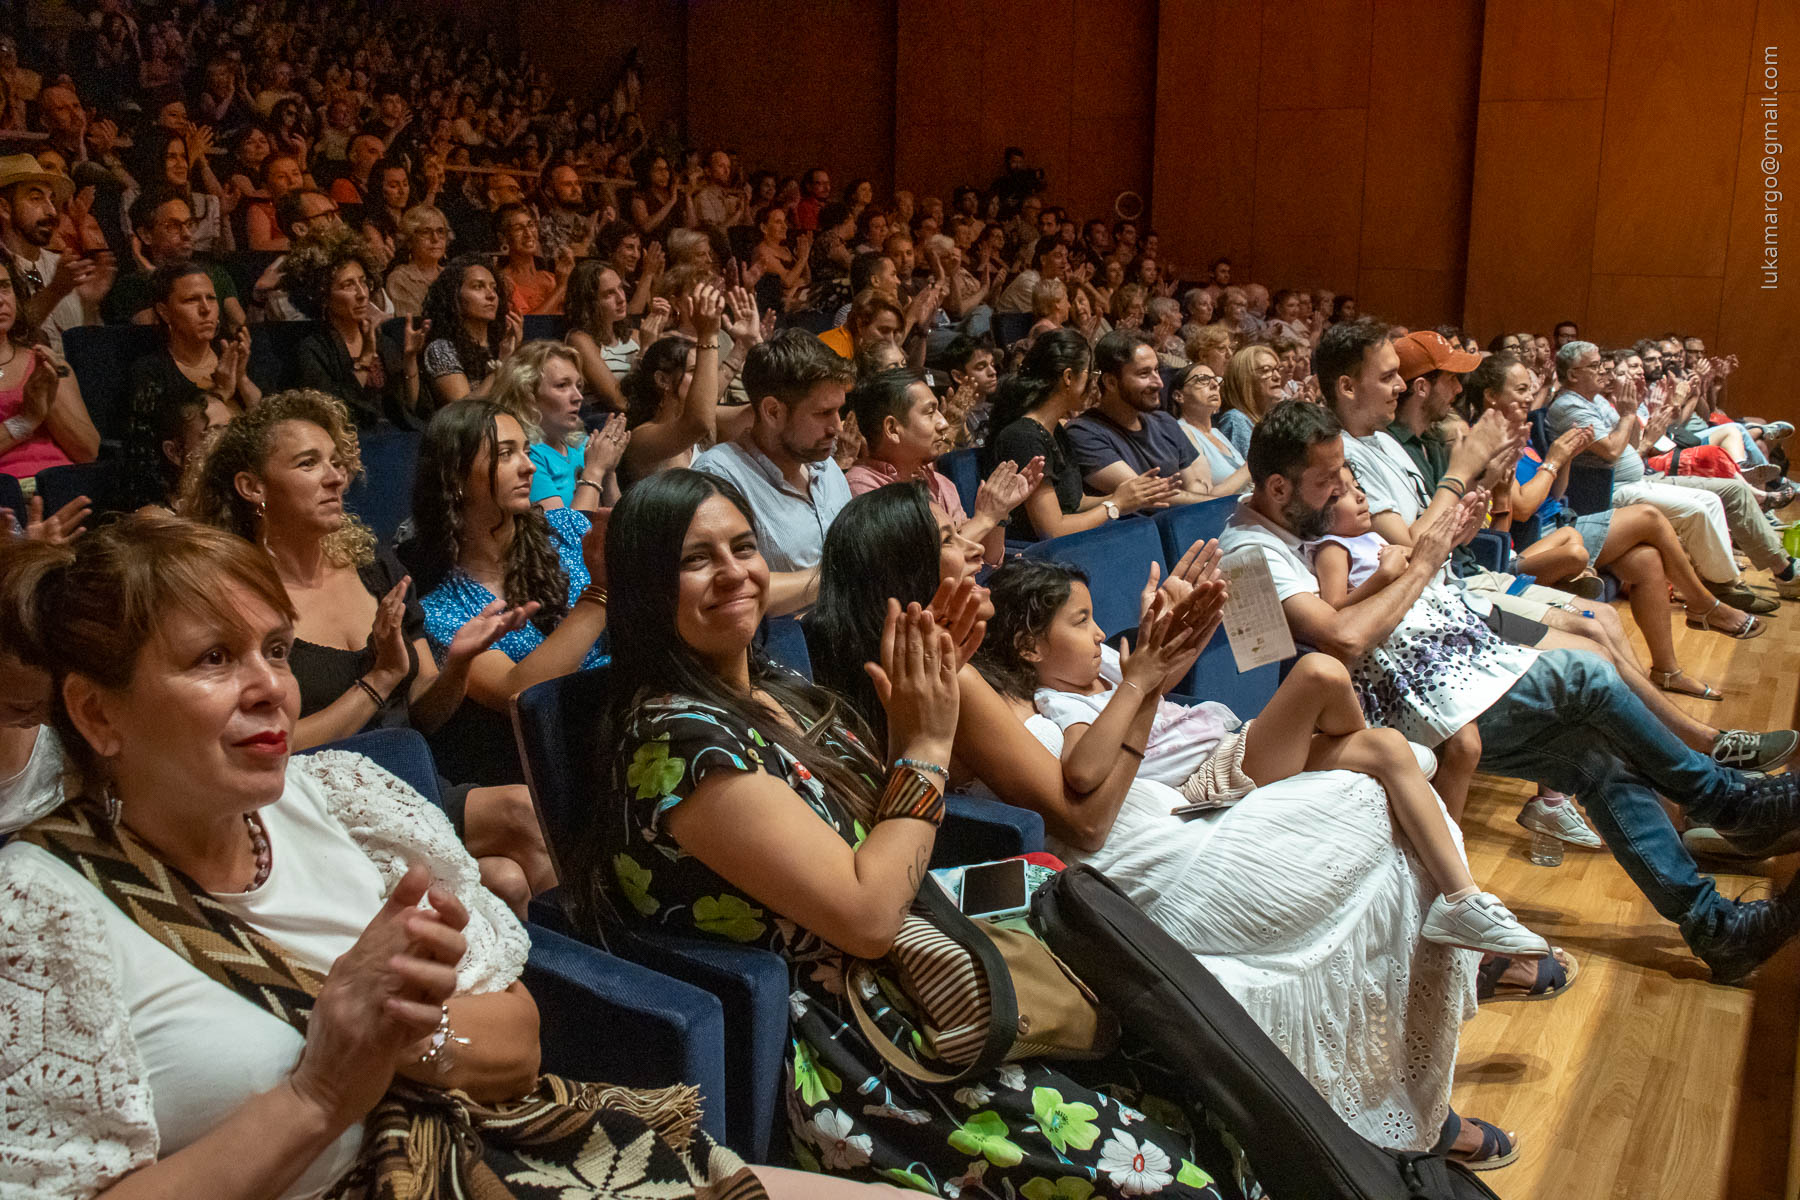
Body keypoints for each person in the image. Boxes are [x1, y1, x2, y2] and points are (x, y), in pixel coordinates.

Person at [0, 516, 790, 1200]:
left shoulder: (340, 797)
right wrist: (319, 1092)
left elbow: (520, 1040)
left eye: (275, 650)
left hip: (480, 1159)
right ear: (98, 713)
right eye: (213, 659)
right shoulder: (40, 910)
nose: (270, 688)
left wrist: (405, 1036)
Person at [575, 468, 1240, 1199]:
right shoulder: (673, 743)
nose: (735, 573)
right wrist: (927, 743)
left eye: (743, 547)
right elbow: (865, 914)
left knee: (1199, 1087)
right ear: (645, 585)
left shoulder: (771, 685)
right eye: (697, 559)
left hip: (929, 971)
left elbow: (890, 822)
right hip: (859, 1046)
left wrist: (917, 729)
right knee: (1167, 1179)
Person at [806, 482, 1501, 1164]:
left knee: (1381, 790)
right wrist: (1143, 678)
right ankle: (1381, 1110)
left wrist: (1151, 672)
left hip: (1159, 818)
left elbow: (1096, 767)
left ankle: (1398, 1085)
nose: (978, 548)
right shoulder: (950, 672)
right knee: (1372, 805)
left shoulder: (967, 658)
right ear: (915, 577)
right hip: (1132, 866)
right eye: (951, 543)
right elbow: (1087, 813)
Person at [1220, 399, 1800, 986]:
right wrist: (1424, 561)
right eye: (1326, 482)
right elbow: (1339, 644)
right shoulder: (1248, 551)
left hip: (1447, 652)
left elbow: (1386, 575)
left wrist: (1437, 543)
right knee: (1586, 676)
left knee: (1597, 757)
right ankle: (1730, 802)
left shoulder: (1308, 521)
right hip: (1398, 701)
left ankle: (1717, 928)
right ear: (1276, 489)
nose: (1342, 489)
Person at [995, 554, 1547, 958]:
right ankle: (1352, 772)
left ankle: (1461, 896)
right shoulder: (1059, 700)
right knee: (1319, 671)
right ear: (1030, 648)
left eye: (1094, 618)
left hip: (1236, 742)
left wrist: (1166, 640)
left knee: (1388, 745)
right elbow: (1085, 769)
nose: (1097, 633)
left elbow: (1159, 689)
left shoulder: (1106, 671)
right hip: (1207, 780)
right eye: (1080, 621)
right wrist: (1137, 680)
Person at [181, 389, 554, 909]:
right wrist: (377, 682)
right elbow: (275, 746)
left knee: (515, 860)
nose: (336, 477)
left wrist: (460, 664)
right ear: (252, 487)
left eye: (337, 461)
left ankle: (586, 973)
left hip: (411, 780)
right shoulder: (236, 597)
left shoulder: (374, 565)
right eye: (309, 464)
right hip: (316, 799)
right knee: (512, 846)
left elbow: (424, 714)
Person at [1468, 352, 1733, 701]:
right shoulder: (1487, 439)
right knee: (1648, 517)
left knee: (1647, 559)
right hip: (1532, 538)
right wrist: (1555, 460)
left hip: (1558, 522)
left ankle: (1667, 671)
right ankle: (1703, 604)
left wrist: (1565, 461)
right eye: (1520, 388)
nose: (1530, 394)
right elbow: (1520, 509)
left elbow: (1557, 493)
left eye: (1530, 387)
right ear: (1491, 395)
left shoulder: (1521, 432)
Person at [409, 400, 612, 784]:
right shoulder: (444, 608)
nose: (529, 465)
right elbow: (518, 693)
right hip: (573, 756)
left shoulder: (566, 527)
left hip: (637, 706)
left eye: (525, 449)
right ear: (454, 477)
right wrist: (600, 594)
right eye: (506, 454)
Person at [983, 329, 1174, 540]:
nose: (1095, 385)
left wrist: (1130, 496)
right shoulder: (1023, 437)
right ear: (1068, 377)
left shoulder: (1054, 430)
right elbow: (1052, 530)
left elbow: (1077, 503)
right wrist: (1116, 504)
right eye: (1091, 375)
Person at [691, 329, 853, 577]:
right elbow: (732, 583)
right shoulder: (720, 477)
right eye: (823, 413)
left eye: (838, 411)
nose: (837, 428)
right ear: (773, 412)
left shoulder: (825, 464)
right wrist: (839, 580)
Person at [844, 367, 1029, 564]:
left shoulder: (941, 483)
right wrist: (984, 519)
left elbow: (987, 560)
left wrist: (1000, 512)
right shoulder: (861, 489)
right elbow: (920, 565)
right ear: (892, 429)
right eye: (930, 412)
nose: (943, 423)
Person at [284, 225, 425, 429]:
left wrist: (410, 359)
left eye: (363, 282)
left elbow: (409, 408)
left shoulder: (383, 342)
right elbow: (332, 413)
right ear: (322, 295)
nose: (362, 294)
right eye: (348, 285)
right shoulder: (313, 349)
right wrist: (366, 357)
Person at [1067, 330, 1211, 506]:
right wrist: (1226, 502)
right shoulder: (1083, 433)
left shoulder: (1165, 422)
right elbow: (1147, 497)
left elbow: (1194, 486)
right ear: (1111, 382)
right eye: (1144, 374)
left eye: (1157, 370)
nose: (1159, 383)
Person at [490, 340, 630, 511]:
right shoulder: (527, 456)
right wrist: (594, 471)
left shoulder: (582, 445)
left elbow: (622, 524)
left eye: (578, 386)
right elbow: (565, 534)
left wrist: (608, 472)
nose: (578, 396)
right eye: (562, 386)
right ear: (527, 394)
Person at [0, 154, 113, 353]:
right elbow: (13, 335)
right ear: (4, 208)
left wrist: (89, 305)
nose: (51, 210)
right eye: (36, 198)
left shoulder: (62, 266)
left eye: (52, 200)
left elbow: (89, 351)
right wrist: (55, 290)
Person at [0, 256, 97, 479]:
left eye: (4, 287)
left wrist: (49, 400)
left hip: (63, 486)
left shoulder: (45, 363)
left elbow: (89, 453)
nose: (0, 300)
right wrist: (25, 421)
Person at [104, 187, 246, 326]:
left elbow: (240, 327)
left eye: (189, 224)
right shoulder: (133, 285)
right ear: (146, 235)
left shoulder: (214, 273)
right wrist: (152, 274)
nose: (187, 234)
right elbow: (155, 336)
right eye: (173, 226)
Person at [420, 253, 523, 407]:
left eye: (493, 288)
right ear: (455, 296)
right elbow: (464, 410)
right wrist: (502, 363)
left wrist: (519, 351)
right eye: (478, 287)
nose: (491, 295)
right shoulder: (441, 348)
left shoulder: (501, 343)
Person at [563, 258, 635, 412]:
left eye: (620, 288)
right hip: (610, 422)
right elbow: (618, 401)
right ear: (590, 303)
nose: (621, 299)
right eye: (609, 294)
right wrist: (647, 348)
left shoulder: (635, 335)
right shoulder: (580, 340)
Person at [1169, 362, 1249, 497]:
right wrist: (1251, 467)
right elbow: (1205, 497)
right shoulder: (1182, 431)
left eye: (1216, 380)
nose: (1214, 385)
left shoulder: (1217, 433)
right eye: (1202, 379)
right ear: (1179, 396)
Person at [493, 202, 568, 316]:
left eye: (531, 225)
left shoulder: (551, 277)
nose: (528, 233)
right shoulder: (504, 282)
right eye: (518, 229)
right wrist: (561, 288)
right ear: (503, 237)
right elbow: (529, 327)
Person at [1214, 346, 1281, 457]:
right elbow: (1248, 471)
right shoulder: (1236, 420)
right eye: (1266, 370)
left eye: (1277, 369)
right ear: (1245, 378)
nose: (1277, 376)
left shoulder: (1271, 419)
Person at [385, 202, 450, 317]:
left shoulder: (451, 275)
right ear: (410, 240)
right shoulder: (400, 279)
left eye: (440, 231)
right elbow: (414, 325)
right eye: (426, 232)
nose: (435, 238)